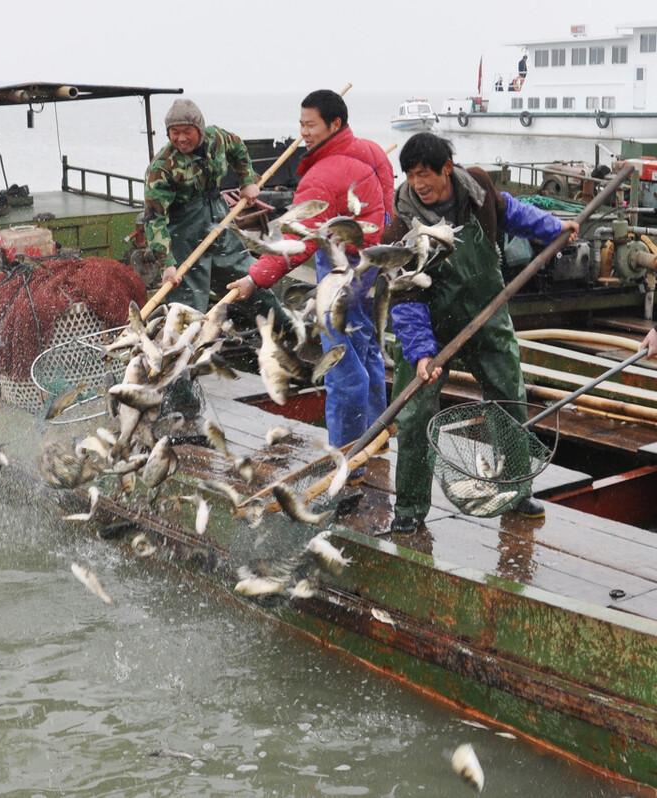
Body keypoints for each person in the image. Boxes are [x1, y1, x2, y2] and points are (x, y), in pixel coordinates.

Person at [383, 132, 578, 536]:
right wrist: (421, 353)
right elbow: (404, 301)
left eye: (425, 174)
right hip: (429, 326)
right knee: (416, 412)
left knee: (508, 395)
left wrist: (555, 227)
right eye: (411, 175)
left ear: (447, 169)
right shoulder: (402, 226)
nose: (418, 184)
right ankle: (410, 508)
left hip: (486, 315)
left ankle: (516, 489)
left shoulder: (478, 191)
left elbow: (514, 213)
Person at [228, 89, 395, 456]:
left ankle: (348, 455)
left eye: (310, 125)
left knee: (340, 365)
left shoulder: (321, 176)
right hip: (374, 267)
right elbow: (388, 212)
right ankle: (377, 438)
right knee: (367, 349)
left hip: (341, 273)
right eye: (301, 124)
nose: (303, 132)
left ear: (334, 124)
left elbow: (296, 242)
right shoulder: (373, 151)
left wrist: (254, 278)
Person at [143, 99, 277, 315]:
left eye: (187, 130)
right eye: (174, 132)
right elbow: (154, 219)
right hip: (184, 229)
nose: (181, 138)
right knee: (189, 293)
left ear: (200, 129)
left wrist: (247, 180)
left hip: (219, 214)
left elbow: (238, 149)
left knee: (243, 270)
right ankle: (187, 343)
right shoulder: (161, 168)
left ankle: (278, 323)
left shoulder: (217, 138)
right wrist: (166, 264)